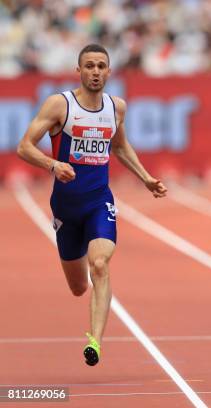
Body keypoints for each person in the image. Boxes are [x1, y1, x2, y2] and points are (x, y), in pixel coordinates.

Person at [17, 44, 167, 366]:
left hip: (99, 202)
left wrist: (146, 178)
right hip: (65, 207)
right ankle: (80, 273)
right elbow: (24, 146)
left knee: (100, 264)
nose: (95, 72)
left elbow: (121, 147)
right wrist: (52, 165)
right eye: (89, 66)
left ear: (109, 72)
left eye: (101, 66)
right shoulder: (61, 105)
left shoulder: (117, 108)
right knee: (77, 286)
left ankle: (95, 341)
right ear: (79, 71)